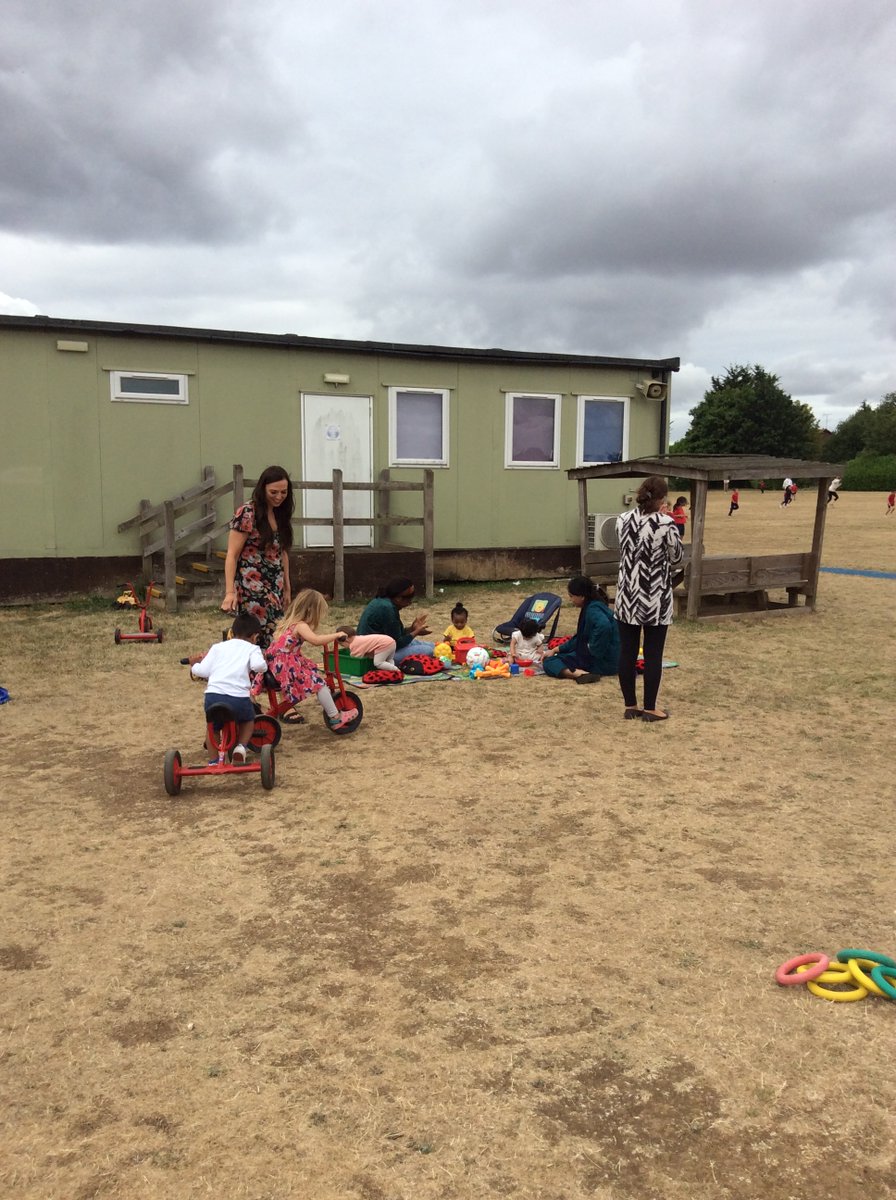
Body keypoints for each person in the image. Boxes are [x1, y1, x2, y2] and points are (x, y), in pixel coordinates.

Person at [614, 475, 683, 721]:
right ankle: (651, 708)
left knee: (627, 652)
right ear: (663, 498)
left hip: (626, 595)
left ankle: (630, 705)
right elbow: (676, 557)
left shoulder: (622, 520)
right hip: (655, 598)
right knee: (653, 655)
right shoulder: (666, 523)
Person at [262, 589, 358, 730]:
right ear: (311, 610)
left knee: (312, 677)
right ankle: (335, 718)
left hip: (276, 665)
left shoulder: (289, 623)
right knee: (319, 684)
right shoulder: (301, 625)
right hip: (286, 667)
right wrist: (336, 635)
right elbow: (316, 640)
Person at [222, 465, 294, 648]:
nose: (279, 497)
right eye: (273, 492)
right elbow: (232, 554)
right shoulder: (247, 513)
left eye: (284, 492)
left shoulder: (281, 514)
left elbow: (282, 551)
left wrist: (287, 587)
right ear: (262, 489)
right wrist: (230, 592)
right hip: (251, 587)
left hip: (274, 587)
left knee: (275, 632)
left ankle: (266, 672)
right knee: (253, 634)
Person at [189, 612, 267, 764]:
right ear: (254, 637)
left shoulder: (217, 647)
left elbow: (203, 671)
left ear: (232, 632)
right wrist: (262, 662)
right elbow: (258, 666)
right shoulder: (252, 648)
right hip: (238, 698)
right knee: (248, 719)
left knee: (212, 727)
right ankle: (241, 747)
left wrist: (194, 665)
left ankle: (213, 761)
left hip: (213, 696)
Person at [542, 576, 619, 683]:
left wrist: (592, 648)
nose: (571, 599)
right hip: (613, 660)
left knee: (549, 662)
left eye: (572, 596)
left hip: (604, 663)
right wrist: (554, 650)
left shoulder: (593, 609)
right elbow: (580, 638)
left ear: (582, 596)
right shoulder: (595, 606)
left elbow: (603, 626)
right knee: (562, 654)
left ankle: (579, 674)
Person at [356, 578, 434, 665]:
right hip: (375, 655)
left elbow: (395, 634)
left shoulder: (384, 602)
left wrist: (412, 629)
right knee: (429, 650)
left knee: (433, 646)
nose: (410, 602)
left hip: (381, 647)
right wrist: (415, 632)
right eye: (409, 598)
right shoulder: (387, 609)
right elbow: (398, 643)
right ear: (398, 598)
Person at [335, 625, 400, 673]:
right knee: (389, 659)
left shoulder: (354, 644)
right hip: (390, 641)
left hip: (384, 644)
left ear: (346, 640)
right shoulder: (358, 639)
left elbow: (355, 658)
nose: (344, 647)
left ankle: (396, 670)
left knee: (378, 663)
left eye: (342, 645)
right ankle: (393, 673)